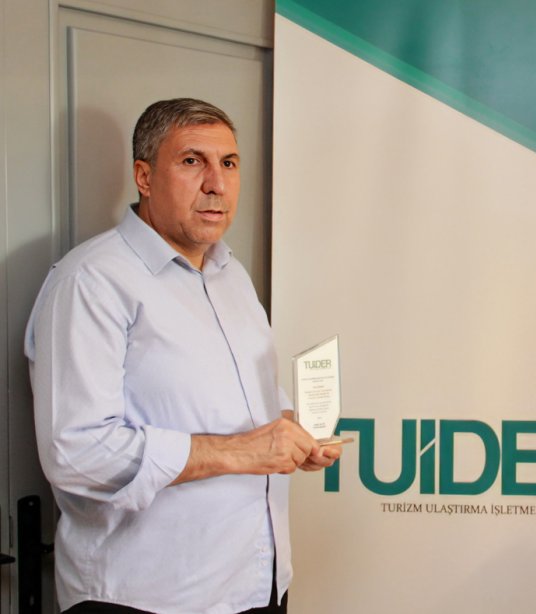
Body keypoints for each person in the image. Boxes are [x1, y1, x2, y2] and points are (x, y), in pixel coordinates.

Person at [25, 98, 340, 614]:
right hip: (146, 599)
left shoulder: (232, 275)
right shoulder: (91, 281)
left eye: (229, 163)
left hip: (255, 586)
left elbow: (243, 401)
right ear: (144, 177)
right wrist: (242, 451)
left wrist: (289, 430)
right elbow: (76, 452)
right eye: (193, 161)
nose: (217, 184)